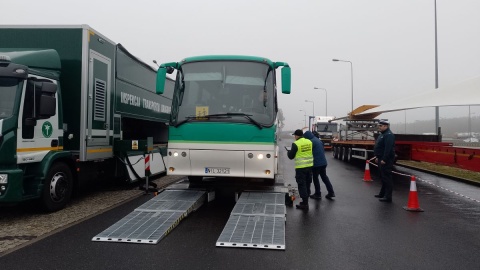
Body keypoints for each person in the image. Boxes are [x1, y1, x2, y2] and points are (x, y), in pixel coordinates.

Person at [303, 130, 336, 200]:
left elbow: (307, 152)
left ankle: (318, 194)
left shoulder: (311, 142)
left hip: (316, 164)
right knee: (324, 177)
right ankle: (331, 192)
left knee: (315, 178)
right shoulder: (318, 140)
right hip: (323, 162)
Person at [287, 129, 313, 210]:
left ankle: (305, 204)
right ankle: (305, 201)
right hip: (309, 166)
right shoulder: (309, 142)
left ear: (297, 136)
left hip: (301, 168)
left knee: (302, 185)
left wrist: (288, 152)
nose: (294, 137)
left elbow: (291, 156)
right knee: (308, 184)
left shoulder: (296, 144)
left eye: (295, 135)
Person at [373, 120, 396, 202]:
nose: (379, 127)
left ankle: (388, 196)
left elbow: (388, 148)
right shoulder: (382, 134)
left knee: (387, 178)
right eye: (379, 126)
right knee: (382, 177)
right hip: (380, 158)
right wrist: (377, 157)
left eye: (381, 126)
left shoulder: (389, 135)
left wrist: (384, 159)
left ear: (386, 126)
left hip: (386, 159)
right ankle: (382, 193)